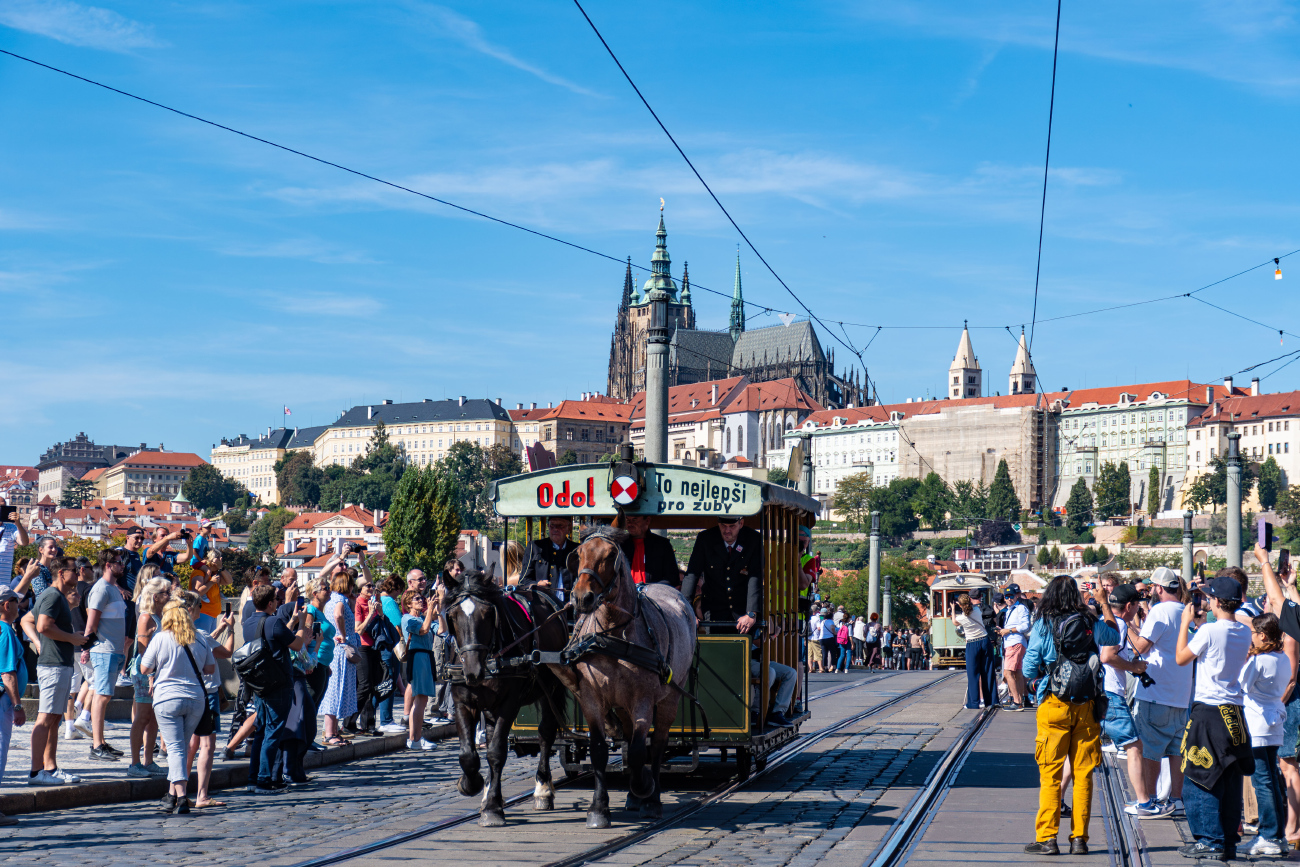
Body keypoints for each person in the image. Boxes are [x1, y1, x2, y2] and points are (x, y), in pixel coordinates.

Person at [1022, 575, 1117, 856]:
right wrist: (1104, 605)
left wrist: (1033, 681)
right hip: (1086, 704)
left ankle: (1047, 838)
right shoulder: (1088, 621)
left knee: (1051, 773)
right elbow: (1113, 637)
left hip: (1054, 702)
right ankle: (1079, 839)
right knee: (1083, 773)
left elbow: (1029, 665)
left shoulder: (1044, 623)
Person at [681, 516, 796, 726]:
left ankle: (752, 713)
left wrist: (751, 614)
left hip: (741, 612)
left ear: (741, 524)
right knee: (719, 659)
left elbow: (755, 578)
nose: (727, 530)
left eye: (732, 526)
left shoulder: (752, 539)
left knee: (744, 659)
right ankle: (721, 707)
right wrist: (686, 608)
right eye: (723, 526)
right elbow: (692, 574)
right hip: (713, 611)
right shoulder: (705, 539)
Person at [1172, 575, 1253, 859]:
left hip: (1209, 712)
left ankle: (1209, 840)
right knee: (1230, 779)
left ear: (1217, 601)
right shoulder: (1243, 631)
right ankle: (1228, 840)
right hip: (1235, 712)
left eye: (1209, 598)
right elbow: (1221, 637)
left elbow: (1181, 657)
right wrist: (1201, 624)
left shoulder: (1207, 631)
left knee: (1200, 777)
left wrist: (1185, 624)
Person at [1123, 566, 1193, 818]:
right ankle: (1177, 799)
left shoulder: (1160, 610)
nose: (1150, 591)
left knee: (1150, 749)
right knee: (1176, 750)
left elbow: (1140, 647)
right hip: (1181, 692)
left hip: (1156, 691)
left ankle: (1150, 800)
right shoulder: (1186, 610)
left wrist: (1128, 625)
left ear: (1160, 589)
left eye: (1152, 587)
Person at [140, 599, 217, 814]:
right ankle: (170, 795)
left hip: (167, 698)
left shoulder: (160, 638)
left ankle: (182, 797)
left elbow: (144, 668)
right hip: (195, 699)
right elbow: (210, 667)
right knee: (180, 748)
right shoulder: (200, 638)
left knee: (175, 748)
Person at [242, 584, 311, 794]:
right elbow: (297, 644)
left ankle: (254, 778)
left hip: (260, 683)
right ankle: (265, 779)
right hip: (278, 684)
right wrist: (300, 623)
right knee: (273, 733)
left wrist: (290, 623)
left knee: (262, 731)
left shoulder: (249, 622)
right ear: (271, 603)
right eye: (277, 600)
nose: (279, 603)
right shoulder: (273, 621)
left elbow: (275, 637)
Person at [29, 557, 87, 786]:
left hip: (59, 664)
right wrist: (72, 638)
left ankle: (50, 768)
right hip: (52, 665)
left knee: (54, 719)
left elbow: (29, 620)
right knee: (45, 718)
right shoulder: (52, 595)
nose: (78, 574)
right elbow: (42, 625)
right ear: (62, 573)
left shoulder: (57, 597)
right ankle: (36, 772)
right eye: (74, 571)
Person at [1095, 583, 1151, 807]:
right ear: (1130, 606)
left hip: (1096, 689)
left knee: (1083, 746)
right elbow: (1107, 657)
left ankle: (1058, 798)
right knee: (1134, 745)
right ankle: (1144, 802)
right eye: (1137, 606)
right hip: (1110, 693)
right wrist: (1133, 667)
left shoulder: (1101, 622)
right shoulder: (1117, 624)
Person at [180, 590, 235, 809]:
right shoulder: (200, 634)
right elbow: (227, 651)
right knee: (207, 745)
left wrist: (220, 627)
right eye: (200, 607)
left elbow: (206, 640)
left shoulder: (173, 633)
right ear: (191, 610)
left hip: (185, 692)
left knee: (188, 745)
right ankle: (202, 794)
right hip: (207, 692)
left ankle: (179, 791)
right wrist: (231, 629)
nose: (202, 611)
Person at [1240, 612, 1289, 857]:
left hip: (1258, 725)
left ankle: (1269, 834)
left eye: (1252, 634)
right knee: (1271, 778)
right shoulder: (1283, 659)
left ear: (1261, 635)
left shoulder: (1259, 661)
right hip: (1274, 723)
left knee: (1263, 781)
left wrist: (1247, 658)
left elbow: (1242, 685)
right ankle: (1277, 835)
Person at [82, 550, 129, 761]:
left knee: (105, 696)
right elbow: (91, 623)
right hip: (103, 650)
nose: (122, 566)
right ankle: (96, 745)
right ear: (109, 565)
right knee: (101, 697)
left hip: (114, 651)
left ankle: (100, 742)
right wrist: (86, 648)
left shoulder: (112, 588)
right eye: (119, 563)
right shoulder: (101, 589)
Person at [127, 577, 171, 778]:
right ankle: (135, 763)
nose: (169, 596)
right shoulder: (146, 618)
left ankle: (148, 761)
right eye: (165, 592)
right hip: (145, 673)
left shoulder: (159, 615)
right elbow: (144, 652)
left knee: (153, 719)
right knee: (142, 717)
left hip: (156, 671)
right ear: (155, 596)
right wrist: (152, 675)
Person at [320, 570, 360, 747]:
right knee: (336, 690)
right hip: (341, 650)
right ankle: (330, 733)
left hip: (337, 650)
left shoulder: (332, 599)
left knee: (338, 689)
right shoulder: (340, 600)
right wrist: (343, 635)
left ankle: (334, 731)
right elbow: (338, 615)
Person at [0, 586, 28, 824]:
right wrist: (18, 706)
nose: (20, 606)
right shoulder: (5, 631)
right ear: (6, 605)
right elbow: (7, 673)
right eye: (16, 602)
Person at [400, 589, 438, 750]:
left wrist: (438, 607)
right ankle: (415, 739)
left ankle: (415, 738)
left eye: (421, 598)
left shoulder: (423, 617)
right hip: (418, 657)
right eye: (416, 599)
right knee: (420, 698)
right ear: (409, 604)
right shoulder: (407, 618)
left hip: (426, 656)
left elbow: (440, 630)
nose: (421, 601)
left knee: (422, 700)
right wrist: (430, 610)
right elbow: (423, 630)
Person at [518, 516, 579, 600]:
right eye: (552, 525)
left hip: (571, 605)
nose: (555, 529)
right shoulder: (535, 547)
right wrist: (537, 584)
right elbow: (523, 581)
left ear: (569, 528)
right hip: (544, 606)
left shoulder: (577, 550)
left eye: (560, 526)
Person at [952, 593, 994, 708]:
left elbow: (954, 622)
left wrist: (952, 609)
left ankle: (974, 703)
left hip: (972, 643)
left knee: (973, 674)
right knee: (988, 672)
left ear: (960, 605)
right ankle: (991, 701)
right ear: (970, 601)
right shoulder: (977, 611)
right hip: (985, 641)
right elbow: (973, 607)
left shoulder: (961, 618)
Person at [620, 514, 681, 587]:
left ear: (647, 521)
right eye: (627, 520)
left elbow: (673, 578)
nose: (630, 524)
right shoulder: (620, 545)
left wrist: (651, 589)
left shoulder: (662, 545)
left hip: (653, 595)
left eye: (634, 520)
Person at [998, 583, 1031, 711]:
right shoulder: (1010, 609)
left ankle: (1017, 702)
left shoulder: (1020, 608)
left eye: (1011, 596)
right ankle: (1019, 699)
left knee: (1007, 673)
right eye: (1006, 597)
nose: (1009, 599)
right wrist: (1003, 630)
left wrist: (1009, 631)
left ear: (1016, 596)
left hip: (1015, 643)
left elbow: (1025, 626)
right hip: (1011, 643)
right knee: (1017, 672)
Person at [0, 505, 30, 594]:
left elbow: (24, 542)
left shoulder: (11, 528)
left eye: (3, 507)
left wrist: (18, 524)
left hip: (3, 584)